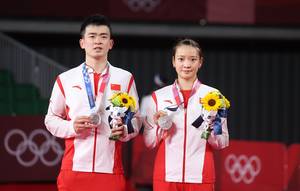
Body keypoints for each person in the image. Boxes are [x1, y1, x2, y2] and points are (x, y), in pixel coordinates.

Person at [44, 14, 142, 191]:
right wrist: (72, 127)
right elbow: (51, 119)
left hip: (111, 170)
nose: (98, 41)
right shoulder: (66, 79)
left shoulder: (125, 78)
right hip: (74, 169)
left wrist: (125, 130)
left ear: (110, 44)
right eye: (92, 36)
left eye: (103, 36)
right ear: (82, 43)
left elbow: (136, 119)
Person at [143, 38, 229, 191]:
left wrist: (209, 128)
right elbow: (149, 142)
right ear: (173, 61)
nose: (187, 65)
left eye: (193, 59)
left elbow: (222, 142)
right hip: (166, 175)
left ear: (200, 62)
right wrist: (160, 127)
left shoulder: (214, 96)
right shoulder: (158, 96)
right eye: (181, 59)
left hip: (201, 175)